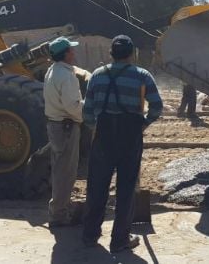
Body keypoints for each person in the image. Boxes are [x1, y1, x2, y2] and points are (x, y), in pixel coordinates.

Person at [81, 35, 163, 253]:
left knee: (97, 186)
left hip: (104, 135)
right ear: (132, 54)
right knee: (126, 189)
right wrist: (143, 125)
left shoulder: (97, 76)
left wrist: (95, 128)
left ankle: (90, 235)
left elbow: (87, 113)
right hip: (130, 135)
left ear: (111, 54)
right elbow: (157, 106)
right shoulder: (142, 76)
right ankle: (120, 241)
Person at [43, 37, 85, 227]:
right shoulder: (67, 76)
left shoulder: (52, 71)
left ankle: (62, 208)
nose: (74, 53)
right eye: (71, 50)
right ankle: (59, 214)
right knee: (65, 171)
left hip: (56, 125)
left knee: (60, 168)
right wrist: (88, 111)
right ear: (66, 53)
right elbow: (72, 106)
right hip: (66, 126)